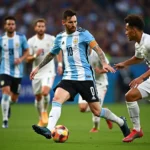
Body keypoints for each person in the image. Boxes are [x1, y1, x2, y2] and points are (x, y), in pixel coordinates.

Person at [30, 9, 130, 140]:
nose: (74, 24)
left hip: (85, 78)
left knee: (97, 111)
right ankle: (49, 129)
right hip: (68, 78)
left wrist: (104, 63)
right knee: (56, 99)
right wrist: (38, 67)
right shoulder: (60, 37)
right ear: (63, 22)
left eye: (75, 21)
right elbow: (51, 54)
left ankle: (121, 122)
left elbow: (98, 49)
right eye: (70, 22)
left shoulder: (84, 34)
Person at [114, 14, 150, 142]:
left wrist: (141, 77)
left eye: (127, 29)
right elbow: (138, 58)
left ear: (134, 30)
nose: (125, 32)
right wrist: (124, 63)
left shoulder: (148, 42)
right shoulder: (138, 44)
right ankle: (137, 129)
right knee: (130, 96)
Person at [26, 18, 62, 127]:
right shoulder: (31, 41)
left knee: (45, 92)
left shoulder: (51, 39)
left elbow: (58, 51)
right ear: (35, 28)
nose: (41, 28)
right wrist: (36, 55)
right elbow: (27, 59)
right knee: (38, 97)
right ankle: (41, 117)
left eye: (43, 26)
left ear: (45, 28)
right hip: (36, 72)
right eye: (39, 26)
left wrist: (60, 64)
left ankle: (44, 111)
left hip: (49, 70)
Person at [0, 16, 29, 128]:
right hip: (4, 70)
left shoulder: (21, 38)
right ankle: (5, 120)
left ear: (15, 26)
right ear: (5, 26)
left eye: (12, 24)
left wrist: (21, 59)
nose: (11, 26)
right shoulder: (1, 40)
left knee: (14, 99)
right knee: (5, 93)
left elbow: (27, 51)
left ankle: (8, 105)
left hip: (18, 72)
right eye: (9, 24)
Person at [78, 49, 113, 132]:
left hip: (100, 84)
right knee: (82, 108)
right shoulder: (80, 54)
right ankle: (104, 111)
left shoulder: (99, 54)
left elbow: (108, 68)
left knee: (96, 111)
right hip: (86, 83)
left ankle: (95, 128)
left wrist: (100, 71)